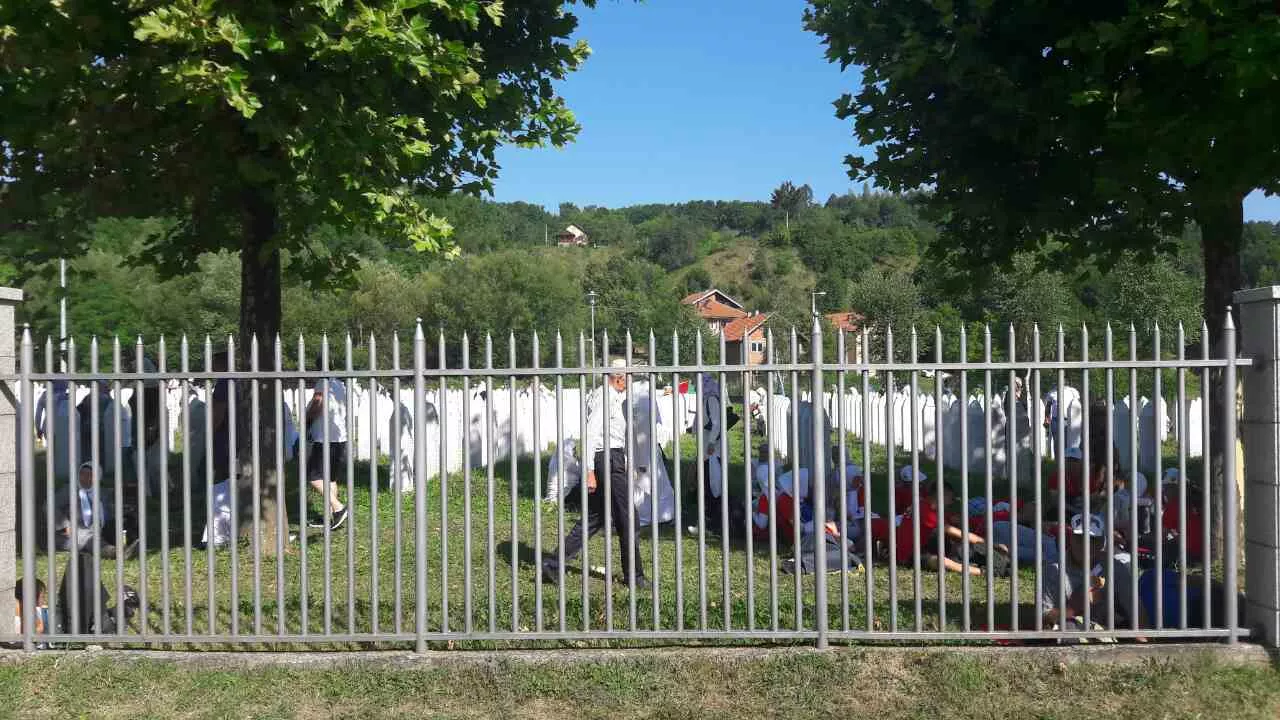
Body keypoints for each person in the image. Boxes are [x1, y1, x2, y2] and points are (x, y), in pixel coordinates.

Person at [542, 358, 648, 590]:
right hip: (606, 459)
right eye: (628, 378)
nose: (630, 383)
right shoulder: (605, 397)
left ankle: (553, 563)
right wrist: (589, 470)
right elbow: (590, 434)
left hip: (611, 458)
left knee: (595, 518)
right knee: (628, 517)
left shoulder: (613, 397)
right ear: (619, 378)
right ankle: (635, 576)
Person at [1041, 513, 1145, 632]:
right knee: (1069, 627)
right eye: (1080, 538)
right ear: (1071, 539)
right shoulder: (1054, 569)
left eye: (1092, 540)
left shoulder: (1115, 568)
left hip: (1110, 633)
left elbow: (1138, 612)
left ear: (1101, 543)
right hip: (1070, 634)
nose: (1085, 545)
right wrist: (1072, 608)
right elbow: (1043, 619)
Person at [305, 357, 350, 531]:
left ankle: (338, 508)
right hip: (340, 437)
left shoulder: (322, 382)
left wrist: (308, 419)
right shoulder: (340, 384)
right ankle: (331, 517)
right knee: (330, 478)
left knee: (313, 476)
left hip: (324, 437)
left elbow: (318, 403)